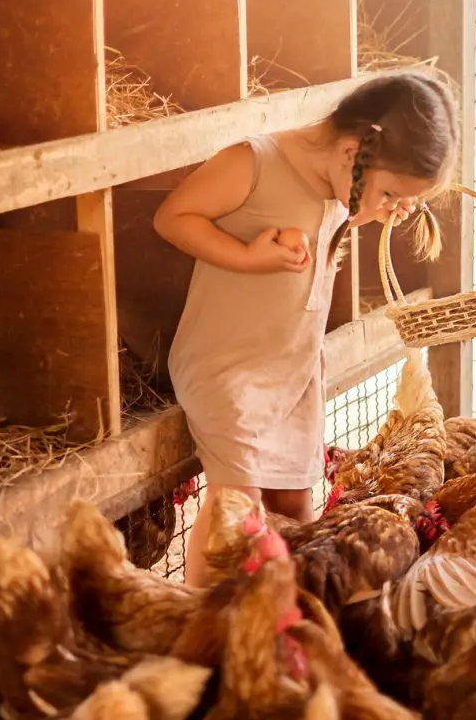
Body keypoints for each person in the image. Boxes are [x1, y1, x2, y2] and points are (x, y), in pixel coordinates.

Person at [154, 72, 460, 587]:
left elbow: (342, 212)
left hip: (293, 369)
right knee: (239, 514)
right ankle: (204, 622)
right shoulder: (253, 163)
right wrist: (249, 256)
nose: (392, 207)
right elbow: (172, 217)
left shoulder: (340, 183)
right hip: (229, 366)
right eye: (389, 193)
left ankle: (281, 616)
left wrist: (383, 204)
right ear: (350, 153)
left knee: (297, 509)